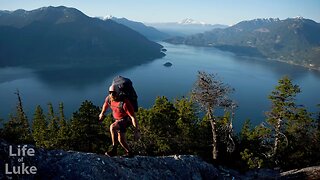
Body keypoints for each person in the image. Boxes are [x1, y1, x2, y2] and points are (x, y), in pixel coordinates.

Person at [99, 84, 140, 157]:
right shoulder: (109, 99)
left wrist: (136, 131)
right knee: (121, 140)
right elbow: (105, 105)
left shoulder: (125, 103)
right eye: (110, 92)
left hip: (126, 120)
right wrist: (102, 113)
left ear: (118, 93)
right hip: (118, 120)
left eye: (114, 93)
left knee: (113, 127)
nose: (112, 94)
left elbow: (133, 117)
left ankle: (114, 150)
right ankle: (129, 152)